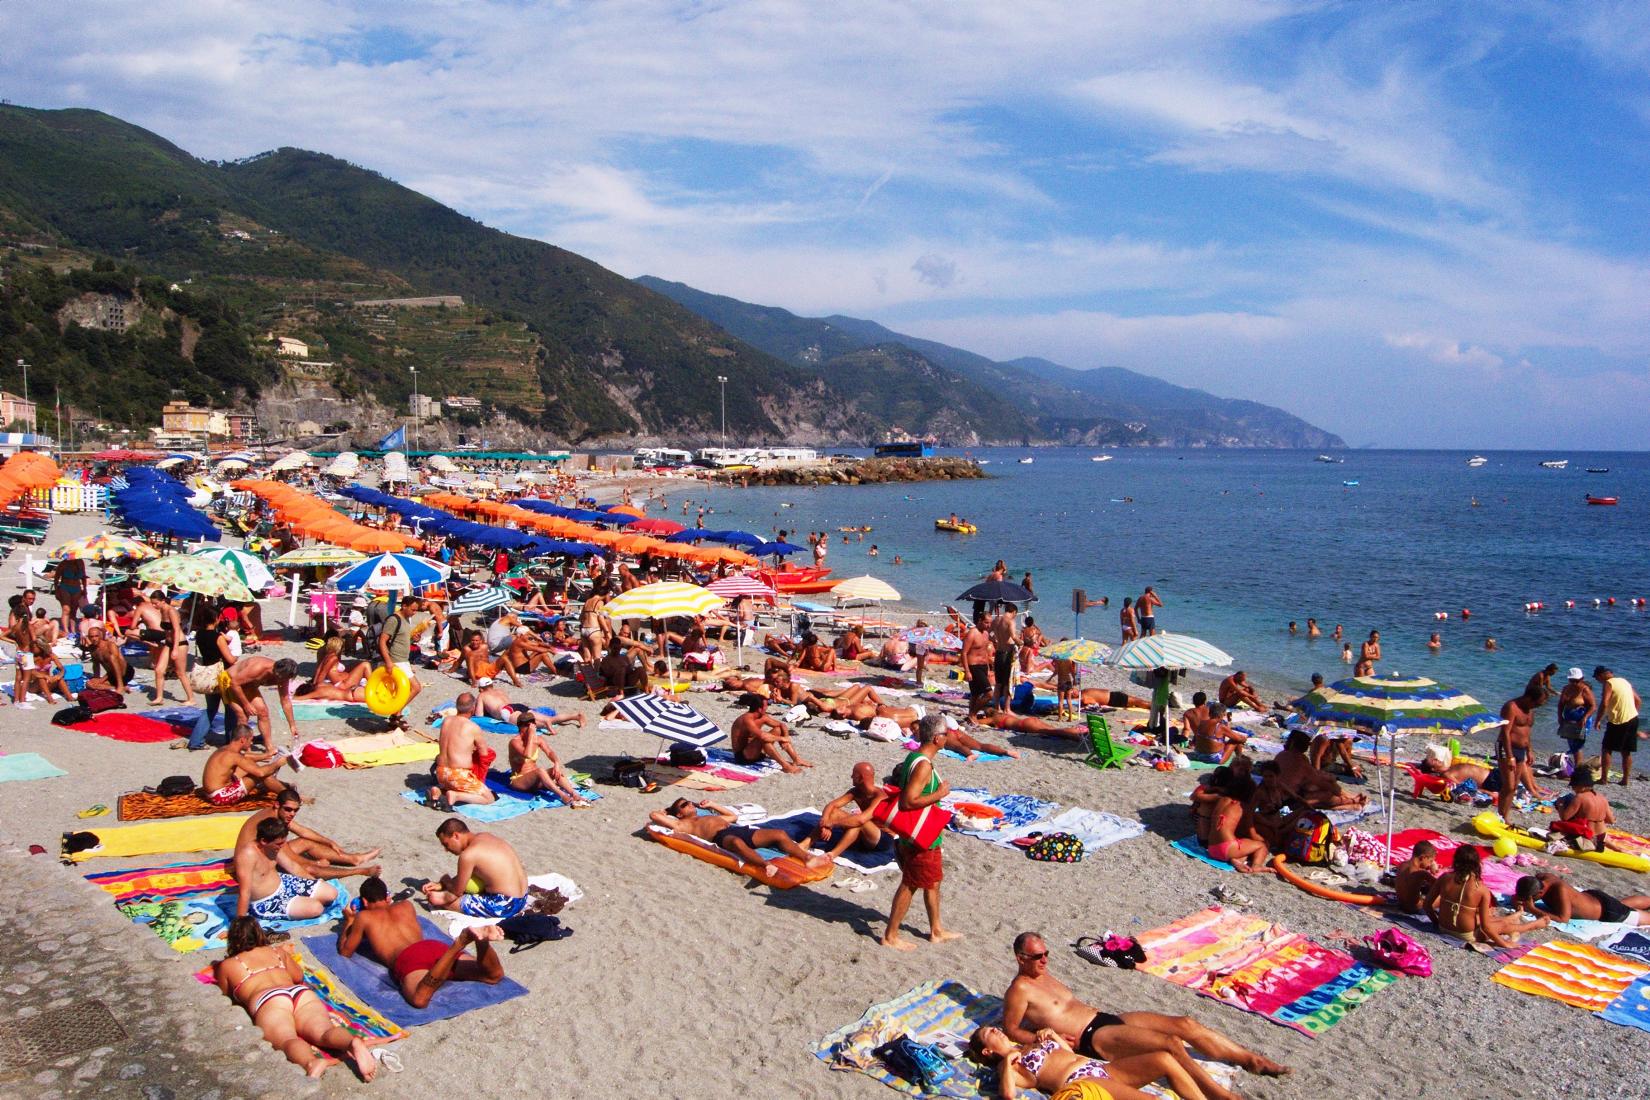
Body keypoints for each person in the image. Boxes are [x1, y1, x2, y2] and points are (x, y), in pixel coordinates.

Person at [999, 933, 1286, 1100]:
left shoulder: (1044, 975)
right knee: (1170, 1043)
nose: (1045, 960)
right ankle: (1216, 1093)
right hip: (1093, 1036)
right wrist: (1043, 1036)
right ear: (1020, 958)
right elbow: (1011, 1028)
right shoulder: (1019, 989)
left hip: (1105, 1018)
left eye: (1046, 953)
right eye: (1037, 957)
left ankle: (1251, 1059)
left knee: (1185, 1024)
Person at [215, 916, 381, 1079]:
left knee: (287, 1040)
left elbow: (226, 994)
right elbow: (298, 976)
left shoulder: (229, 965)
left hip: (269, 999)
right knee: (324, 1032)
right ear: (259, 933)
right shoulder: (277, 951)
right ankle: (352, 1042)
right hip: (299, 993)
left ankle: (311, 1062)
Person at [339, 876, 506, 1009]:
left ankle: (458, 943)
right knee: (493, 976)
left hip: (409, 959)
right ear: (387, 897)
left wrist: (349, 921)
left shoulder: (364, 917)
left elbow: (345, 952)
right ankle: (482, 942)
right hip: (433, 947)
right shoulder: (406, 905)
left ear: (365, 902)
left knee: (420, 999)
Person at [880, 714, 961, 950]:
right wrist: (940, 794)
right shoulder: (923, 765)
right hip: (920, 837)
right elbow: (908, 802)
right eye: (946, 734)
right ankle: (890, 935)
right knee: (911, 883)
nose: (948, 737)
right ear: (937, 738)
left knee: (933, 881)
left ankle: (936, 929)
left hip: (925, 834)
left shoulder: (915, 758)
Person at [968, 1026, 1205, 1100]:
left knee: (1164, 1059)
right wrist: (1008, 1061)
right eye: (990, 1032)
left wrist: (1053, 1035)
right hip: (1084, 1082)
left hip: (1101, 1069)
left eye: (994, 1028)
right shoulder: (1009, 1066)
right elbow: (1008, 1095)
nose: (997, 1030)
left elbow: (1067, 1052)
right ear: (987, 1050)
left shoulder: (1026, 1046)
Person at [650, 798, 830, 880]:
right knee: (736, 844)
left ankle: (807, 858)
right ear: (679, 814)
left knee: (779, 834)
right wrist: (667, 811)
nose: (690, 803)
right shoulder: (682, 825)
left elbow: (733, 817)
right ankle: (765, 865)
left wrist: (713, 805)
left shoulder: (707, 815)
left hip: (737, 829)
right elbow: (654, 815)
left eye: (689, 801)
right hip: (722, 837)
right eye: (684, 804)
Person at [235, 789, 380, 879]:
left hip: (264, 851)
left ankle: (353, 859)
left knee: (305, 842)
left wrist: (329, 842)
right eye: (288, 809)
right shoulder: (271, 823)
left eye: (295, 810)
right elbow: (292, 859)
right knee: (309, 869)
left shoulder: (279, 815)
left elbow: (302, 831)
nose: (292, 814)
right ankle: (360, 871)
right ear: (277, 805)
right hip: (252, 864)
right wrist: (317, 863)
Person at [1425, 845, 1541, 948]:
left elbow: (1427, 905)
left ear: (1456, 861)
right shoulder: (1481, 889)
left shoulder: (1444, 878)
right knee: (1502, 925)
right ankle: (1534, 925)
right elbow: (1486, 928)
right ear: (1477, 864)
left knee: (1484, 918)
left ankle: (1516, 915)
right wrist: (1504, 943)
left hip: (1442, 927)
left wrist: (1436, 922)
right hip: (1466, 936)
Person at [233, 817, 340, 921]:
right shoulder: (247, 855)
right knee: (316, 908)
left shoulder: (272, 846)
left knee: (331, 893)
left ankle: (301, 901)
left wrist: (312, 881)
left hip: (284, 883)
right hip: (267, 900)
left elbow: (292, 867)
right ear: (264, 841)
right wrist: (240, 923)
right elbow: (244, 892)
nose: (282, 846)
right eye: (279, 844)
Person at [421, 818, 528, 918]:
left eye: (446, 844)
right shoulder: (486, 836)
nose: (446, 850)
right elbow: (476, 872)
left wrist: (443, 887)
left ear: (456, 836)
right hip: (523, 897)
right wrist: (441, 885)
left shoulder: (468, 855)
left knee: (449, 904)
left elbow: (455, 894)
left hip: (507, 904)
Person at [506, 711, 590, 807]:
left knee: (556, 771)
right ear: (521, 727)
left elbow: (550, 752)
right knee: (540, 770)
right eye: (528, 725)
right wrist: (531, 736)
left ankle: (574, 794)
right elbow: (527, 755)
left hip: (536, 779)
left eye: (532, 724)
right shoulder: (515, 742)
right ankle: (562, 795)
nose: (531, 727)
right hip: (519, 781)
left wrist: (556, 763)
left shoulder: (538, 739)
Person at [428, 693, 496, 810]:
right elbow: (484, 754)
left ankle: (438, 791)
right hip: (458, 775)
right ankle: (456, 796)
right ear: (473, 708)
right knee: (489, 798)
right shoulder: (472, 727)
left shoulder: (446, 721)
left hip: (441, 772)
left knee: (452, 783)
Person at [220, 656, 302, 751]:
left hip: (248, 685)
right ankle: (244, 749)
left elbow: (285, 701)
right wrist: (246, 704)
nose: (283, 682)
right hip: (230, 681)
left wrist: (292, 725)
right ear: (276, 671)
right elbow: (234, 683)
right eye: (282, 678)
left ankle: (268, 746)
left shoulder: (284, 677)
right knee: (243, 715)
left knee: (263, 712)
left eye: (286, 679)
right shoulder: (258, 668)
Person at [814, 762, 891, 859]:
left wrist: (832, 823)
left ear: (860, 778)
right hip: (864, 835)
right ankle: (806, 843)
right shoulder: (856, 791)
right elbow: (832, 805)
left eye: (853, 774)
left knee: (857, 821)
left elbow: (861, 820)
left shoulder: (880, 796)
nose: (851, 776)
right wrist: (825, 822)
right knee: (835, 812)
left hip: (882, 839)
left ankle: (831, 855)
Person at [1514, 873, 1650, 926]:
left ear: (1541, 892)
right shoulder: (1542, 877)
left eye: (1531, 898)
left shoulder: (1559, 890)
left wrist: (1533, 909)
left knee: (1633, 914)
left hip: (1607, 912)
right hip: (1593, 898)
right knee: (1622, 904)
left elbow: (1563, 918)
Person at [1275, 729, 1366, 810]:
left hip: (1278, 794)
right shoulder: (1301, 759)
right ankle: (1350, 801)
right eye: (1307, 742)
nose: (1308, 745)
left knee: (1322, 793)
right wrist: (1333, 785)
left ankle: (1351, 805)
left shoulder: (1281, 754)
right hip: (1288, 800)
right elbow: (1318, 779)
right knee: (1326, 796)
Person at [1496, 686, 1550, 818]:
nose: (1537, 706)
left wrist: (1529, 749)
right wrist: (1510, 756)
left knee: (1514, 787)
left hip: (1521, 750)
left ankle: (1504, 816)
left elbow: (1526, 731)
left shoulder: (1530, 710)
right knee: (1508, 785)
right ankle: (1501, 815)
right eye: (1537, 703)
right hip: (1506, 747)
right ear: (1529, 698)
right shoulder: (1511, 707)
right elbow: (1505, 732)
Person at [377, 595, 429, 730]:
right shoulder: (394, 620)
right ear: (404, 606)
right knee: (415, 687)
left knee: (405, 689)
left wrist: (413, 640)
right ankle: (396, 714)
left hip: (403, 660)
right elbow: (382, 641)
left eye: (416, 610)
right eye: (413, 609)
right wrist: (388, 662)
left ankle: (396, 715)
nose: (414, 612)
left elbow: (400, 639)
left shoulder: (406, 619)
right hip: (396, 660)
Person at [203, 730, 292, 806]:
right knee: (259, 774)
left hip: (212, 791)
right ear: (243, 740)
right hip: (218, 796)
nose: (251, 743)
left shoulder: (226, 749)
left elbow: (245, 757)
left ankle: (276, 787)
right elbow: (260, 773)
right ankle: (289, 797)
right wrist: (278, 763)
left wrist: (265, 756)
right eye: (250, 740)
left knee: (251, 766)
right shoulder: (233, 755)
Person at [1205, 769, 1270, 872]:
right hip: (1227, 848)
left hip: (1211, 848)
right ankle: (1257, 866)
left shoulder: (1222, 799)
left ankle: (1235, 859)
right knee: (1261, 846)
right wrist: (1262, 840)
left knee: (1243, 844)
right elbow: (1251, 831)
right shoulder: (1243, 806)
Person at [730, 693, 811, 772]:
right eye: (766, 706)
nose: (767, 707)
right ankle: (785, 766)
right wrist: (783, 739)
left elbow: (782, 725)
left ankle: (796, 759)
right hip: (744, 756)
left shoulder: (763, 716)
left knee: (778, 729)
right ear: (759, 709)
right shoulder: (747, 719)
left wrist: (785, 737)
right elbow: (763, 737)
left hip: (757, 752)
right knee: (764, 738)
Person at [1551, 766, 1618, 853]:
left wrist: (1560, 804)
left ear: (1581, 786)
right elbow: (1611, 820)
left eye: (1574, 787)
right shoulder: (1602, 798)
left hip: (1587, 838)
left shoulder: (1580, 797)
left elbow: (1565, 817)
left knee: (1557, 826)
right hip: (1602, 837)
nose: (1573, 789)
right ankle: (1616, 848)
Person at [1595, 666, 1642, 785]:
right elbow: (1638, 700)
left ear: (1602, 675)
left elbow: (1604, 703)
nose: (1598, 681)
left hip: (1618, 721)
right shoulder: (1624, 681)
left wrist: (1598, 720)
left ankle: (1604, 779)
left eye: (1597, 678)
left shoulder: (1608, 683)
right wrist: (1632, 713)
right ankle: (1625, 780)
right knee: (1626, 751)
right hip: (1633, 718)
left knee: (1607, 749)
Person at [1556, 667, 1596, 765]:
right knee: (1571, 742)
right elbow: (1561, 704)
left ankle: (1578, 767)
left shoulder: (1585, 690)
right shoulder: (1566, 689)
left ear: (1582, 679)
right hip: (1569, 719)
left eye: (1576, 681)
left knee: (1578, 744)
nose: (1574, 683)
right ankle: (1576, 766)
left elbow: (1593, 706)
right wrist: (1560, 717)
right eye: (1572, 681)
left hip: (1581, 720)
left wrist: (1585, 718)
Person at [1392, 839, 1439, 913]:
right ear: (1423, 857)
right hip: (1415, 908)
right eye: (1430, 861)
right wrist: (1434, 872)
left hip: (1401, 904)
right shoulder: (1420, 872)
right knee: (1442, 897)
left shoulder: (1402, 865)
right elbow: (1439, 885)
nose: (1430, 864)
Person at [963, 610, 994, 719]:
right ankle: (973, 714)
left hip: (983, 666)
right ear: (980, 620)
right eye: (986, 622)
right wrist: (967, 671)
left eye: (990, 623)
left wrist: (989, 669)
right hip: (973, 666)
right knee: (989, 694)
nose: (988, 625)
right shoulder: (972, 633)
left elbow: (985, 652)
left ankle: (971, 715)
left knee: (975, 694)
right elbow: (964, 653)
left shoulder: (986, 634)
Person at [82, 623, 130, 693]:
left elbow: (118, 664)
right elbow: (96, 665)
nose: (94, 639)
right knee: (89, 684)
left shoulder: (110, 645)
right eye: (92, 637)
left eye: (96, 636)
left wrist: (102, 680)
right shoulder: (92, 648)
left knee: (113, 659)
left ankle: (120, 686)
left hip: (124, 672)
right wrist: (96, 679)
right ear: (88, 637)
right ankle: (118, 687)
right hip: (111, 675)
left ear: (100, 636)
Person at [990, 604, 1020, 711]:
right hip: (1007, 653)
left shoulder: (996, 620)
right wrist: (1021, 642)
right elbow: (1013, 636)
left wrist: (995, 641)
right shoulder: (1010, 621)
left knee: (998, 683)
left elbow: (990, 634)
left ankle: (997, 706)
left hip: (999, 652)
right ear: (1014, 612)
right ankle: (1007, 709)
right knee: (1008, 683)